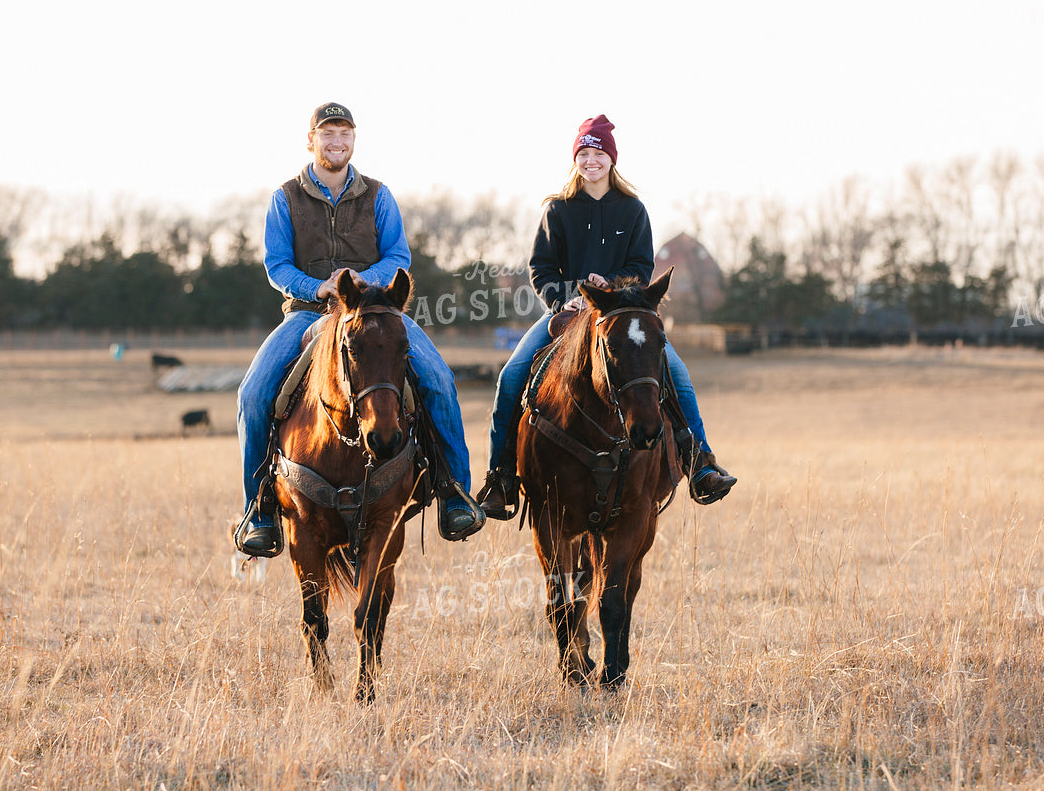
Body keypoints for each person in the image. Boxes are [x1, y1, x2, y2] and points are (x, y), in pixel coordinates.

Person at [234, 102, 483, 556]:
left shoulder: (379, 195)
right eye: (327, 133)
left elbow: (398, 256)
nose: (337, 141)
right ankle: (259, 510)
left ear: (354, 140)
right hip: (307, 313)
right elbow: (276, 265)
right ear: (311, 141)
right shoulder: (285, 197)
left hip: (374, 311)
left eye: (345, 133)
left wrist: (361, 282)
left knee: (440, 381)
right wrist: (320, 287)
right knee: (252, 394)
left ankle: (455, 494)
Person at [477, 114, 736, 519]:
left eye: (598, 153)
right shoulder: (558, 211)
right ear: (575, 159)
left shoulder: (633, 210)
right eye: (584, 152)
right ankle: (500, 479)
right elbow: (540, 270)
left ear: (611, 160)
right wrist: (567, 297)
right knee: (510, 377)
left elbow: (642, 264)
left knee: (678, 376)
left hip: (621, 318)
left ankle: (700, 464)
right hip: (566, 314)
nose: (591, 160)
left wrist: (610, 287)